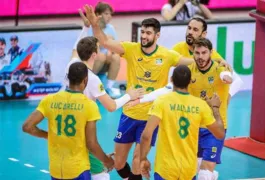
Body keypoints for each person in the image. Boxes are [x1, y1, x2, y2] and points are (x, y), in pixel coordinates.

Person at [83, 4, 206, 179]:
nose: (144, 36)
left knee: (137, 161)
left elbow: (194, 61)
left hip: (150, 116)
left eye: (148, 33)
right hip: (129, 113)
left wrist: (215, 59)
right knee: (118, 162)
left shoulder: (167, 55)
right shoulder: (131, 49)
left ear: (157, 35)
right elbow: (104, 42)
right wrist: (95, 25)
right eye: (143, 32)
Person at [129, 38, 233, 179]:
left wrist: (227, 76)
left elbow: (227, 76)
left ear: (211, 53)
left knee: (204, 173)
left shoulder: (220, 68)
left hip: (213, 127)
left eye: (204, 53)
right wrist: (141, 100)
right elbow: (167, 89)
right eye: (197, 53)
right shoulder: (189, 71)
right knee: (194, 167)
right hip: (194, 126)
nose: (200, 56)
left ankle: (209, 174)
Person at [65, 11, 145, 180]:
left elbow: (74, 48)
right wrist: (129, 96)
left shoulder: (71, 65)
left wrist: (85, 28)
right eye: (98, 49)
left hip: (66, 130)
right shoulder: (92, 79)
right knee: (101, 174)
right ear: (94, 55)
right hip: (82, 131)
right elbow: (111, 106)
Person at [22, 62, 114, 180]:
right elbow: (91, 144)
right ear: (85, 80)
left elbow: (27, 127)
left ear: (68, 78)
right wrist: (107, 161)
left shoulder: (49, 100)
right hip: (78, 170)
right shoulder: (89, 106)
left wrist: (49, 135)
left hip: (56, 171)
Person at [140, 65, 225, 180]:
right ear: (190, 82)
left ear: (171, 80)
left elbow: (146, 135)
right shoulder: (200, 105)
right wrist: (215, 108)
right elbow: (220, 134)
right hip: (188, 170)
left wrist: (143, 159)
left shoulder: (162, 101)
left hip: (165, 169)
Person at [172, 17, 243, 104]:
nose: (190, 32)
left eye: (195, 30)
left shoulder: (211, 55)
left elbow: (238, 80)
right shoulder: (178, 48)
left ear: (204, 34)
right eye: (189, 28)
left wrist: (227, 98)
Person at [92, 2, 121, 98]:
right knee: (101, 56)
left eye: (110, 14)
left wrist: (110, 50)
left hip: (105, 62)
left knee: (116, 57)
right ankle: (88, 84)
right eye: (106, 14)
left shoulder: (111, 28)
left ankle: (109, 87)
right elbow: (88, 48)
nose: (109, 17)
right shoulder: (91, 27)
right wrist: (103, 42)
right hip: (92, 63)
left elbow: (117, 46)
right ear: (97, 14)